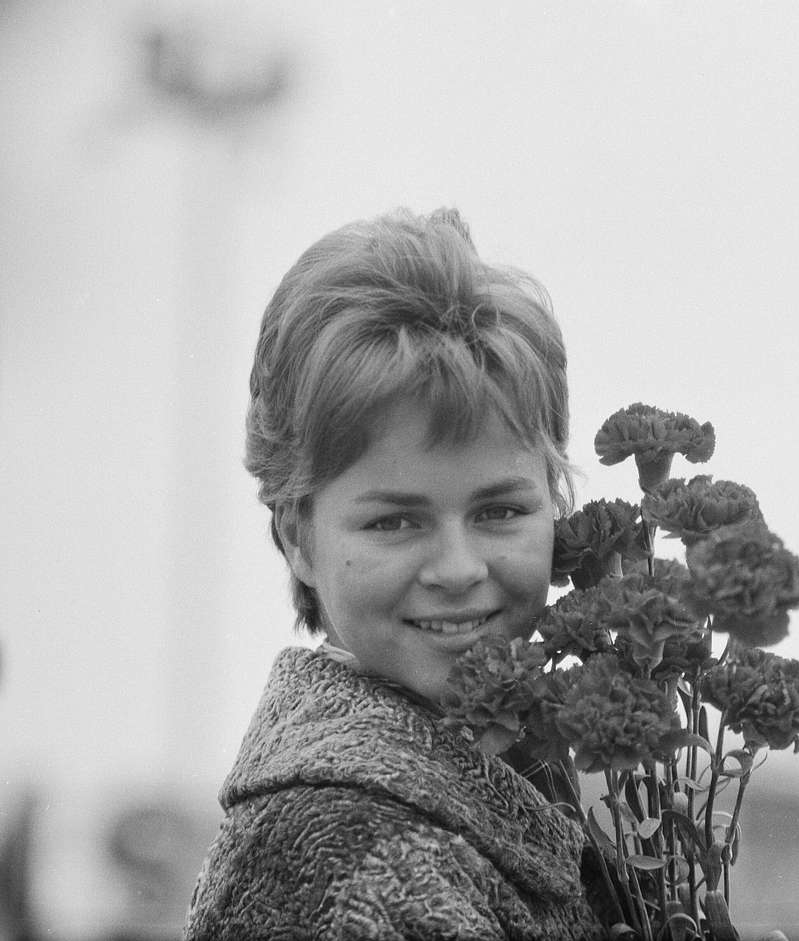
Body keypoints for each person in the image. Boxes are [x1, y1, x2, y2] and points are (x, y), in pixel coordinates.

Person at [184, 208, 609, 939]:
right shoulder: (344, 848)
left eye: (501, 510)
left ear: (557, 501)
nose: (457, 568)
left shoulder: (512, 782)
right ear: (298, 537)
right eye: (395, 521)